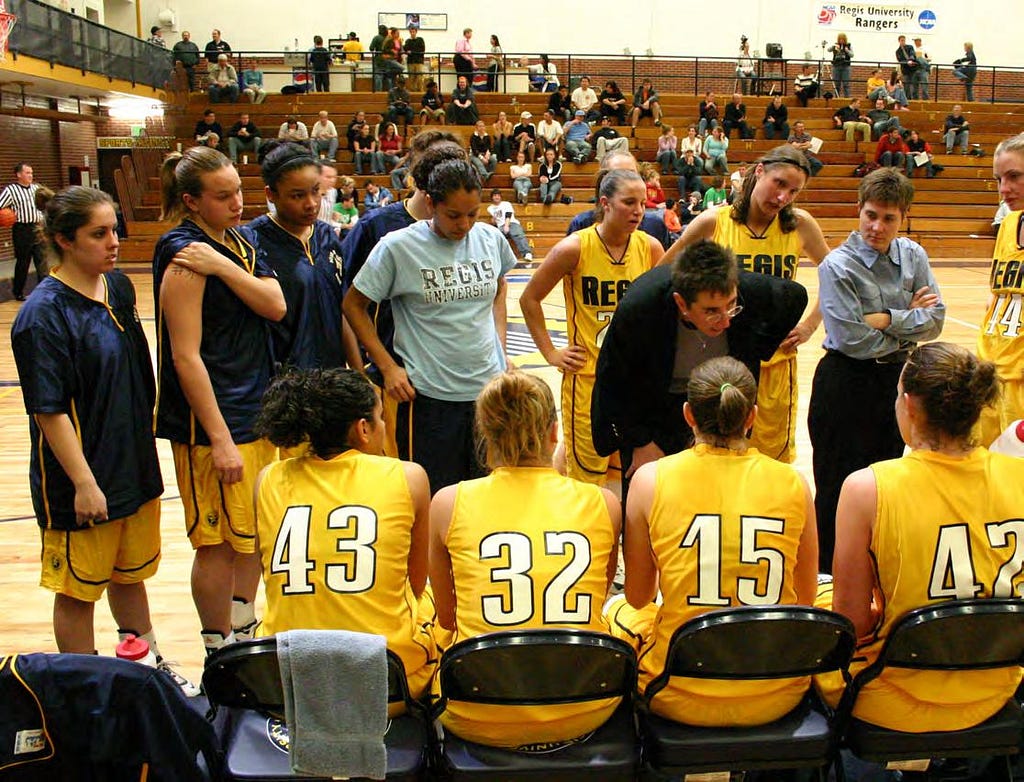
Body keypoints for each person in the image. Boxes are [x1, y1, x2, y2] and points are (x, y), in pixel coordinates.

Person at [10, 186, 195, 694]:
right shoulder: (42, 316)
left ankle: (147, 669)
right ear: (64, 240)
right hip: (82, 478)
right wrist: (84, 483)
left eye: (115, 229)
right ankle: (83, 689)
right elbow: (48, 411)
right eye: (99, 233)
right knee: (78, 592)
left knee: (130, 575)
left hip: (132, 463)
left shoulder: (118, 287)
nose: (114, 242)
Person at [821, 342, 1023, 732]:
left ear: (909, 405)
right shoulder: (1019, 476)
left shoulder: (868, 488)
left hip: (893, 694)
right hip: (994, 689)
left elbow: (853, 625)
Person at [608, 356, 818, 725]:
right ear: (751, 416)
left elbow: (639, 596)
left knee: (618, 612)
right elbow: (805, 598)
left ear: (688, 415)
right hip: (777, 691)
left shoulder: (650, 480)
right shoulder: (793, 482)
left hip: (677, 690)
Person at [429, 372, 621, 747]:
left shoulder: (448, 502)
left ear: (485, 434)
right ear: (554, 432)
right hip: (586, 705)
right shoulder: (604, 503)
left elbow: (448, 618)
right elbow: (598, 597)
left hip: (478, 708)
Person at [153, 146, 286, 655]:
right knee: (216, 545)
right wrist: (220, 438)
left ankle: (244, 634)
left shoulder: (240, 242)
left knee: (250, 536)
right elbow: (185, 357)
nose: (237, 203)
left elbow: (275, 305)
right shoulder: (183, 255)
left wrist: (226, 267)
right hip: (210, 424)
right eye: (223, 196)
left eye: (238, 191)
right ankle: (216, 647)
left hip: (256, 409)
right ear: (191, 201)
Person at [253, 368, 437, 704]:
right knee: (436, 609)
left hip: (288, 687)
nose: (385, 427)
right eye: (381, 419)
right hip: (385, 684)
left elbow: (269, 578)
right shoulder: (409, 476)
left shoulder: (267, 478)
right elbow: (415, 582)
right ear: (363, 429)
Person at [343, 158, 516, 492]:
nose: (464, 224)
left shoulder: (490, 240)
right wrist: (388, 367)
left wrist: (501, 347)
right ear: (431, 204)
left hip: (487, 394)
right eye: (453, 215)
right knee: (434, 497)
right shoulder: (398, 247)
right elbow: (353, 305)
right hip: (427, 399)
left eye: (472, 213)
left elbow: (500, 286)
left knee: (484, 496)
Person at [808, 167, 945, 572]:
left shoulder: (913, 256)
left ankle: (876, 567)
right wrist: (907, 319)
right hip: (845, 382)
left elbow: (936, 320)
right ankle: (829, 576)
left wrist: (883, 318)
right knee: (835, 486)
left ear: (903, 217)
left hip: (896, 381)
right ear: (858, 210)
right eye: (870, 214)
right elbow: (852, 339)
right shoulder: (837, 266)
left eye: (888, 218)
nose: (877, 226)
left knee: (886, 480)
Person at [592, 240, 807, 486]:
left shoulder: (747, 290)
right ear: (682, 303)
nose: (726, 321)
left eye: (731, 306)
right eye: (711, 311)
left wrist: (758, 347)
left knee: (721, 492)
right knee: (652, 490)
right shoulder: (640, 307)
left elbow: (796, 296)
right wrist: (641, 443)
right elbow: (613, 382)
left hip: (718, 403)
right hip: (656, 410)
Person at [521, 168, 662, 487]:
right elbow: (529, 299)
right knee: (587, 479)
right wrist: (551, 354)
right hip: (588, 380)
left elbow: (665, 304)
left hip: (634, 382)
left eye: (643, 202)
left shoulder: (650, 247)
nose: (638, 211)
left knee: (631, 474)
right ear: (605, 203)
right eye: (629, 202)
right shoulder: (574, 248)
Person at [340, 133, 468, 457]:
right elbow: (350, 304)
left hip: (459, 380)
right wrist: (368, 371)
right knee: (403, 476)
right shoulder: (379, 228)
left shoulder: (467, 228)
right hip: (402, 381)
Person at [247, 142, 349, 372]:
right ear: (270, 195)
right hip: (284, 382)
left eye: (315, 191)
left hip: (333, 375)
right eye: (297, 196)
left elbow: (339, 310)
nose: (311, 204)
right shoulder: (253, 242)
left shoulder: (325, 235)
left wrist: (358, 372)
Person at [977, 133, 1024, 445]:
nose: (1004, 189)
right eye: (998, 179)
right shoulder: (1008, 225)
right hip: (989, 376)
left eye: (1015, 176)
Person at [566, 152, 670, 248]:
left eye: (631, 174)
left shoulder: (655, 225)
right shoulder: (581, 224)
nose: (626, 180)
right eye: (617, 175)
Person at [0, 162, 47, 301]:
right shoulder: (11, 190)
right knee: (23, 262)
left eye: (31, 173)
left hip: (38, 228)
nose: (30, 175)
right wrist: (6, 217)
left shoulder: (37, 188)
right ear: (19, 174)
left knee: (42, 261)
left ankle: (43, 291)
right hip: (22, 229)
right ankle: (18, 292)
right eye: (27, 173)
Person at [487, 188, 532, 261]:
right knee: (495, 238)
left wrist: (506, 226)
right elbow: (495, 220)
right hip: (500, 227)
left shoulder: (506, 204)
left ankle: (527, 253)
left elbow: (508, 214)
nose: (497, 197)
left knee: (517, 234)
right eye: (495, 195)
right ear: (492, 197)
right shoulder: (490, 208)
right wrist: (493, 220)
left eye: (498, 195)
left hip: (511, 223)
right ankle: (495, 257)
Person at [895, 35, 920, 100]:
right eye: (902, 40)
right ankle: (907, 98)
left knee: (914, 84)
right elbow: (900, 60)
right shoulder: (898, 51)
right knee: (906, 85)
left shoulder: (910, 47)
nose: (903, 42)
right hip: (905, 70)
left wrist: (911, 60)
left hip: (913, 69)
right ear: (899, 41)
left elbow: (912, 54)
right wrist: (907, 62)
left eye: (904, 40)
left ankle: (915, 99)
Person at [828, 33, 853, 98]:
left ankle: (847, 98)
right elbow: (828, 50)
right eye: (840, 39)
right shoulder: (836, 45)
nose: (841, 41)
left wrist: (847, 51)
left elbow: (852, 55)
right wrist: (834, 47)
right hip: (836, 66)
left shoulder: (849, 46)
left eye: (843, 39)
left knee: (846, 84)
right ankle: (836, 98)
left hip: (846, 66)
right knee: (836, 84)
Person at [403, 26, 425, 91]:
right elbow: (406, 49)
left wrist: (412, 52)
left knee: (419, 77)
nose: (412, 33)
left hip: (419, 61)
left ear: (416, 32)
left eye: (413, 32)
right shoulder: (408, 41)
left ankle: (420, 90)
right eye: (411, 32)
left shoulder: (420, 40)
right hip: (410, 61)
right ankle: (412, 90)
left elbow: (421, 50)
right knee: (411, 77)